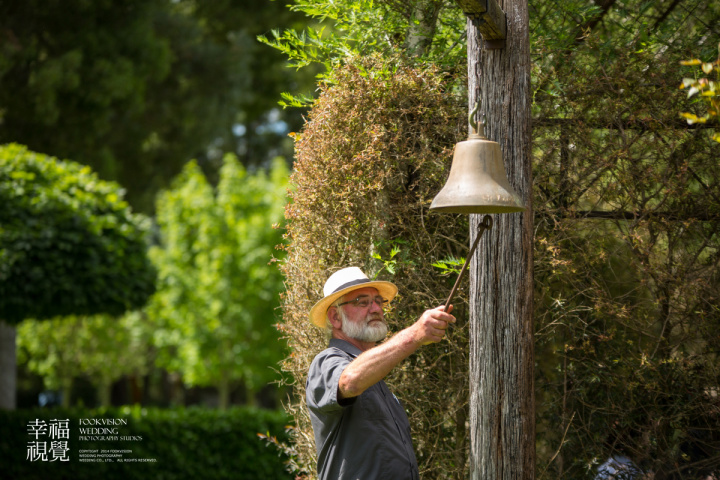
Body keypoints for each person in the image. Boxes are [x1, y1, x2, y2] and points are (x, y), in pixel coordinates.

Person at [306, 266, 456, 480]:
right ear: (335, 317)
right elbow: (349, 381)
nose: (376, 308)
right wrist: (414, 335)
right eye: (362, 302)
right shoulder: (325, 362)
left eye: (378, 301)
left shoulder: (374, 376)